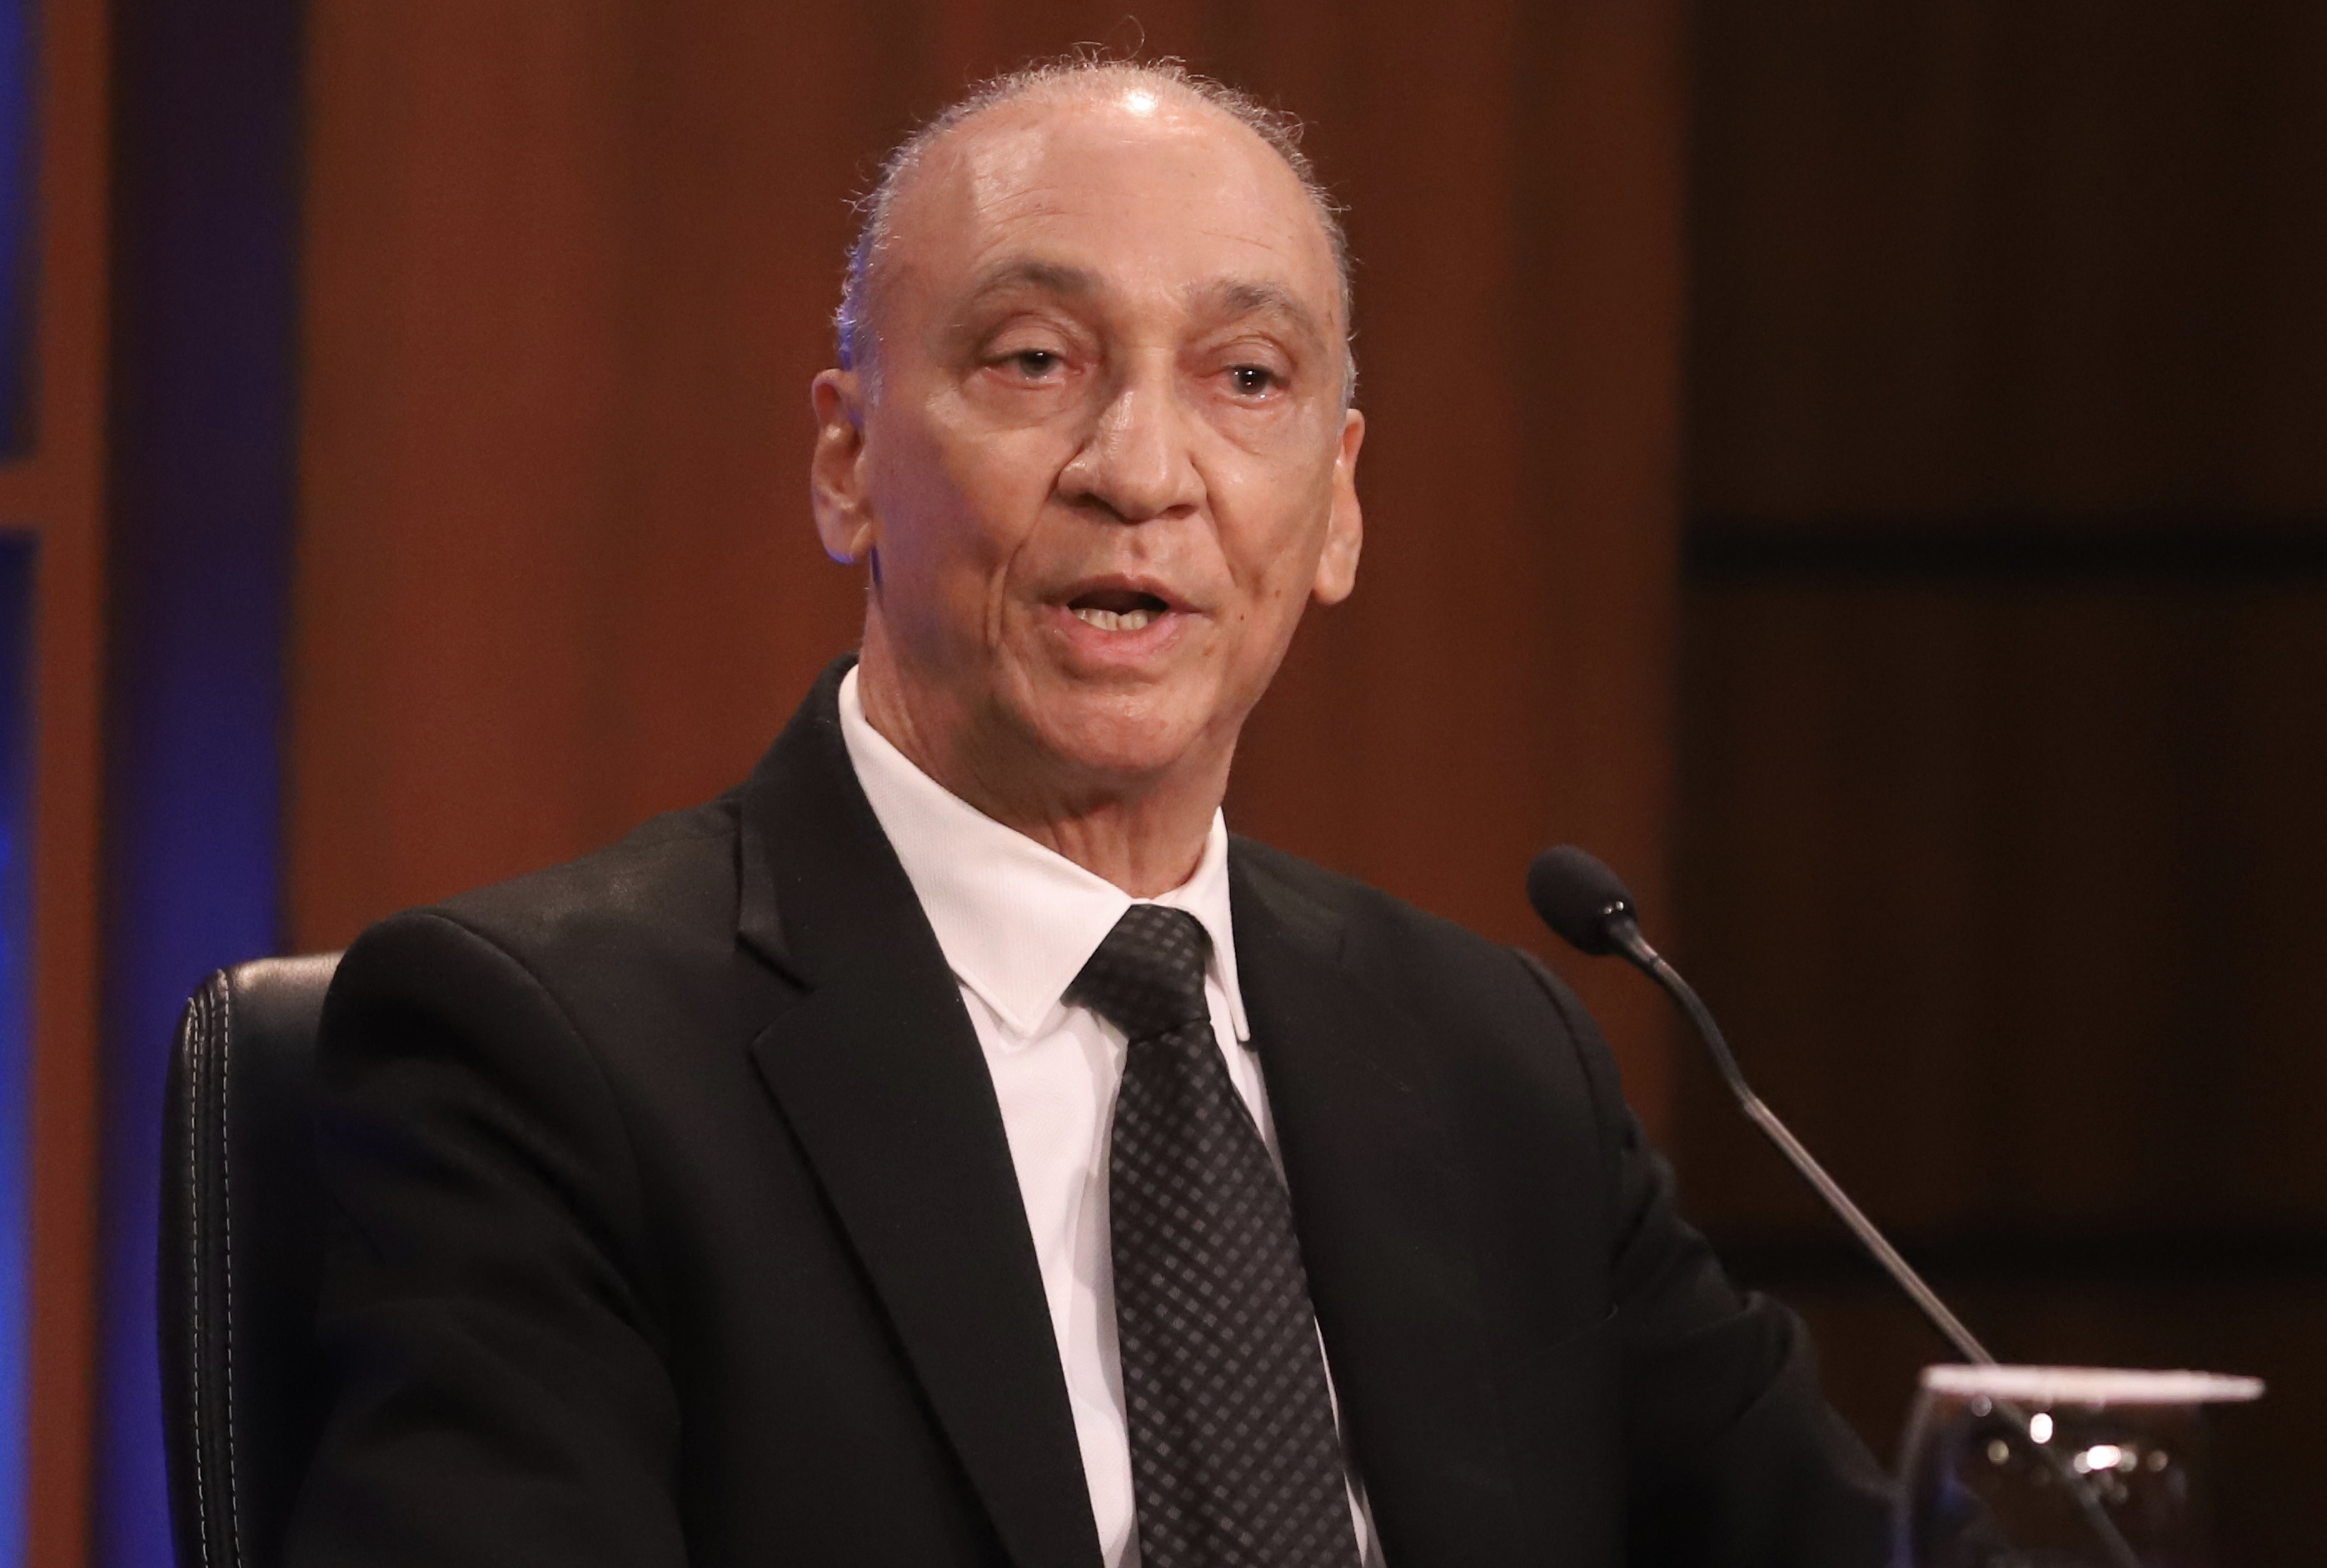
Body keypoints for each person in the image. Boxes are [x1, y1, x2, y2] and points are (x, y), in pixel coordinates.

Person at [290, 58, 1889, 1568]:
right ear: (847, 461)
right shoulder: (544, 1054)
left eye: (1244, 379)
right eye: (1035, 361)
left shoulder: (1495, 1064)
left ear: (1337, 504)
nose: (1139, 470)